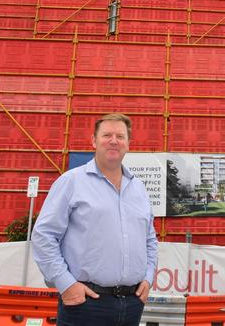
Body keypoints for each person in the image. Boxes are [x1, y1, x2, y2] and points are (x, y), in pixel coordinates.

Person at [32, 113, 158, 326]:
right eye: (106, 135)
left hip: (132, 304)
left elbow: (150, 240)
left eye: (120, 136)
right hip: (85, 303)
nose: (113, 140)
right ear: (93, 140)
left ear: (128, 143)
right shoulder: (71, 182)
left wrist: (148, 277)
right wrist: (67, 285)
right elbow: (44, 236)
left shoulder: (139, 189)